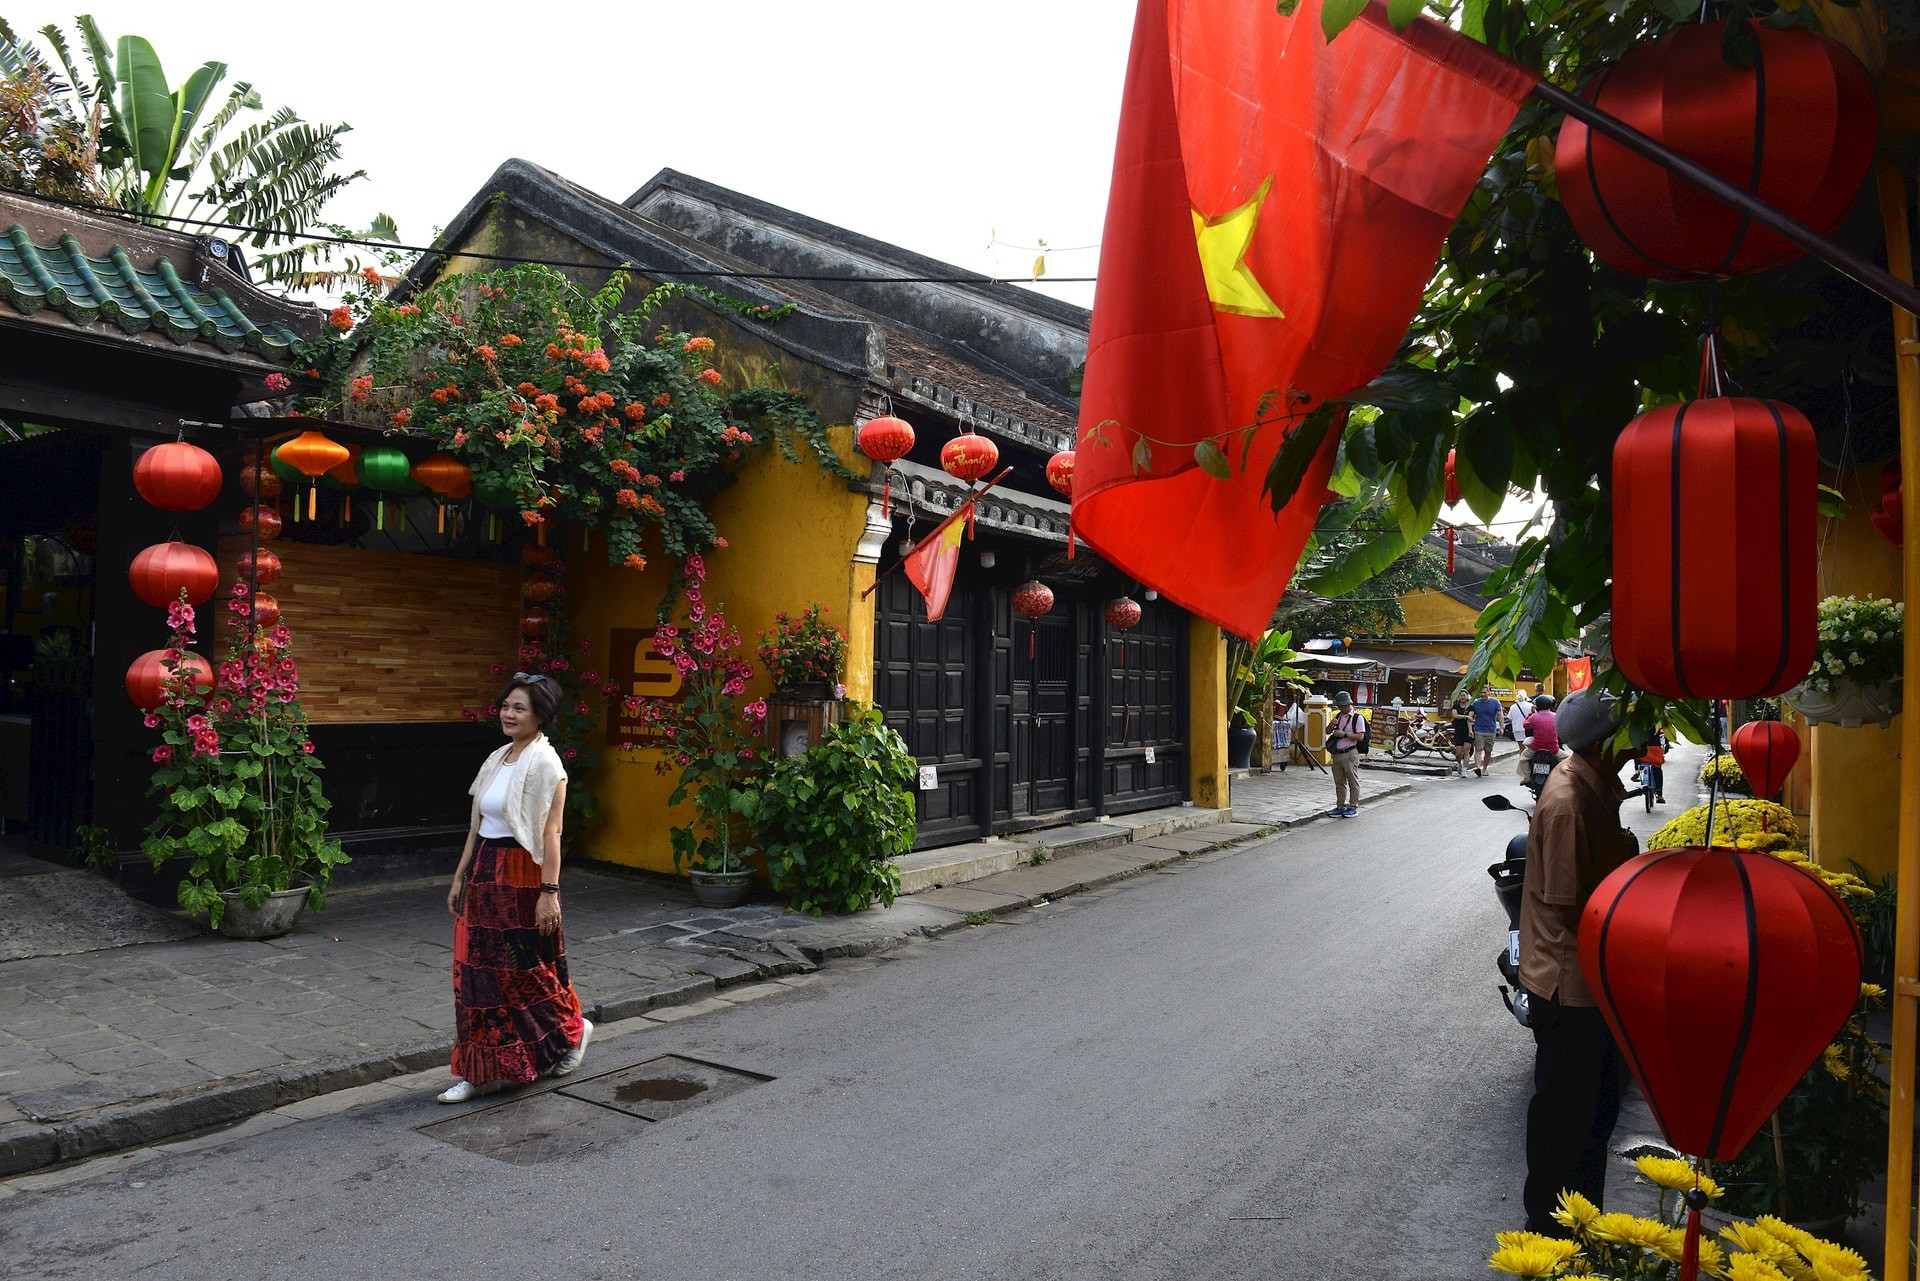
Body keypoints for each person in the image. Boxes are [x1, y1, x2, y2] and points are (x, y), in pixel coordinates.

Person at [439, 672, 592, 1103]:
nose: (509, 713)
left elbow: (552, 833)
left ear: (540, 715)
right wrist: (460, 876)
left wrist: (549, 892)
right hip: (485, 871)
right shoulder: (497, 758)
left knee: (522, 974)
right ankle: (479, 1070)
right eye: (506, 706)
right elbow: (478, 825)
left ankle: (572, 1030)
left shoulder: (547, 765)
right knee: (476, 977)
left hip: (524, 876)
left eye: (519, 707)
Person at [1518, 688, 1638, 1234]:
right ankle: (1550, 1228)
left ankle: (1580, 1220)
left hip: (1589, 981)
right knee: (1568, 1115)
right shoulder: (1569, 801)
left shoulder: (1593, 787)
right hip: (1570, 985)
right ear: (1603, 743)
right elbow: (1572, 907)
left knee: (1595, 1111)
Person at [1325, 691, 1368, 818]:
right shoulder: (1338, 716)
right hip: (1337, 754)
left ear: (1349, 704)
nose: (1342, 708)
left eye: (1344, 706)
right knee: (1339, 782)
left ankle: (1353, 806)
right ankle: (1340, 806)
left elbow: (1360, 736)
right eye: (1340, 706)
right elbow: (1327, 732)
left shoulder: (1357, 718)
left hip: (1350, 753)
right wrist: (1331, 725)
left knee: (1352, 782)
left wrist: (1344, 734)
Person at [1471, 684, 1504, 776]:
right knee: (1478, 748)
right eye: (1481, 693)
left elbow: (1500, 715)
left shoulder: (1495, 702)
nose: (1482, 694)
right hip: (1479, 729)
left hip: (1491, 730)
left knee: (1488, 751)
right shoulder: (1476, 703)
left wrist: (1502, 727)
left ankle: (1484, 768)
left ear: (1488, 692)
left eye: (1484, 692)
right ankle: (1478, 767)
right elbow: (1471, 715)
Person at [1637, 726, 1668, 804]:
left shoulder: (1637, 719)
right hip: (1655, 749)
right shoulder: (1657, 720)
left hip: (1642, 749)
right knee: (1657, 769)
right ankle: (1659, 794)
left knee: (1636, 754)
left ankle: (1636, 770)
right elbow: (1663, 733)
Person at [1450, 688, 1474, 778]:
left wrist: (1470, 731)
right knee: (1458, 753)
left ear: (1467, 697)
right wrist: (1465, 716)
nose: (1463, 697)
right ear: (1459, 697)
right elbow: (1454, 715)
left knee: (1466, 751)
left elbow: (1470, 719)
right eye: (1461, 696)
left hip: (1468, 731)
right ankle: (1459, 764)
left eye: (1464, 695)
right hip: (1458, 731)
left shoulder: (1471, 707)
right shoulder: (1456, 706)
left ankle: (1465, 770)